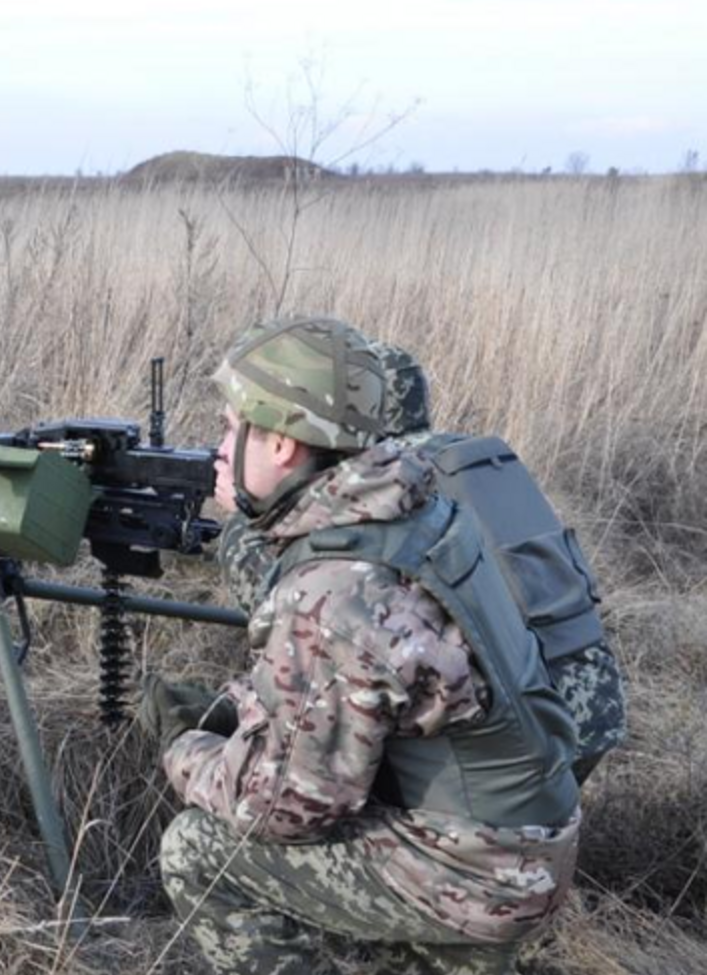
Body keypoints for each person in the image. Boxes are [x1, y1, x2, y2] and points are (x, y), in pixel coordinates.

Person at [138, 317, 582, 975]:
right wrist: (243, 707)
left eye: (232, 428)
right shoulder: (410, 506)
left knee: (199, 849)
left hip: (478, 868)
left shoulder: (333, 588)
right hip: (531, 833)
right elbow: (372, 681)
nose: (219, 449)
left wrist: (186, 747)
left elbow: (286, 808)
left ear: (284, 443)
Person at [216, 338, 627, 786]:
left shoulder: (387, 487)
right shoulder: (469, 458)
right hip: (592, 700)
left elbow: (297, 605)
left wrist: (248, 519)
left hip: (507, 732)